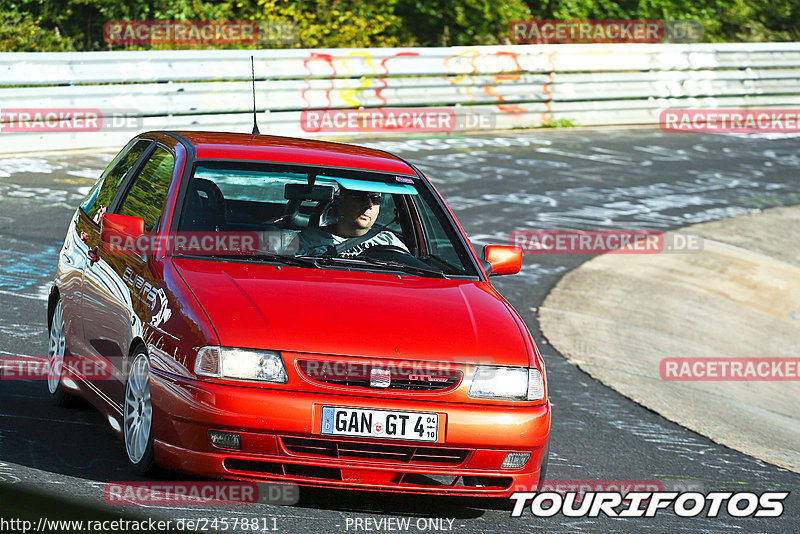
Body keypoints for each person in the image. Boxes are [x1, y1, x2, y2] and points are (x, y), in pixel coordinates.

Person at [296, 188, 408, 257]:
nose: (369, 205)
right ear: (340, 200)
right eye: (360, 197)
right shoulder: (306, 240)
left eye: (375, 200)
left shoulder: (389, 240)